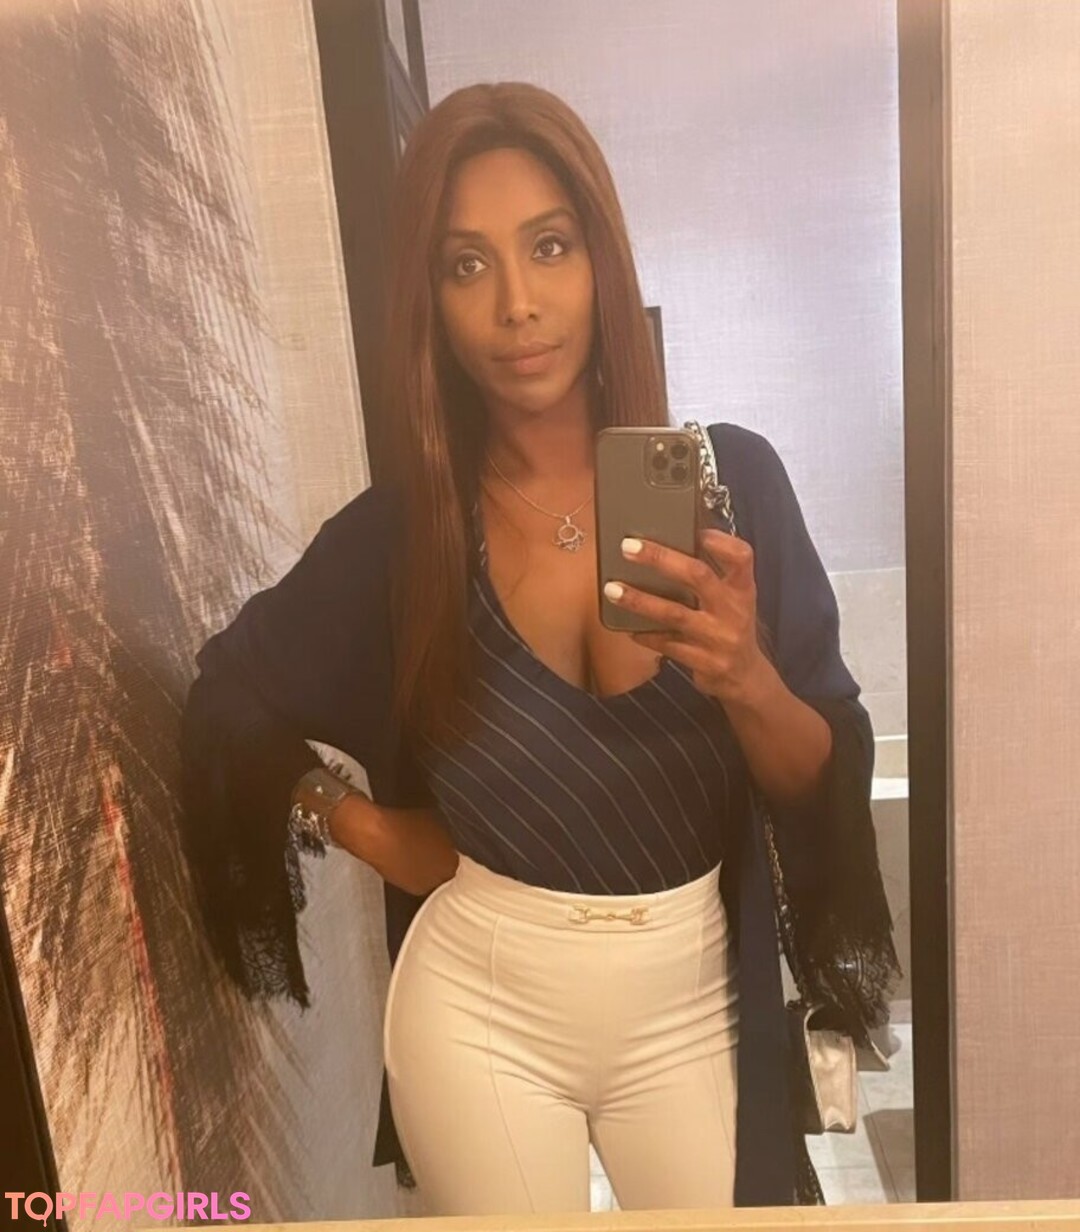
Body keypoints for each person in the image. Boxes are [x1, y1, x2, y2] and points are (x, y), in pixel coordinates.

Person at [179, 82, 898, 1214]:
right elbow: (229, 691)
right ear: (430, 301)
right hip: (482, 1008)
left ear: (601, 259)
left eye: (549, 247)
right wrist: (368, 827)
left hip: (695, 1005)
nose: (517, 304)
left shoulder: (733, 486)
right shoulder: (407, 536)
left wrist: (749, 678)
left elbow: (823, 774)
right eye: (467, 265)